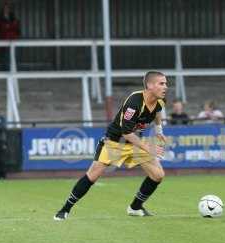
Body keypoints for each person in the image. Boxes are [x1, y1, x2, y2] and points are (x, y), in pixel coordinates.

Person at [53, 71, 168, 220]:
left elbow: (157, 111)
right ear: (150, 85)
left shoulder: (160, 100)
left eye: (166, 83)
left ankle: (135, 207)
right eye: (161, 83)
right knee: (93, 175)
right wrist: (148, 148)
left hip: (134, 143)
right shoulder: (134, 103)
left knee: (158, 175)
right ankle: (65, 209)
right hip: (115, 142)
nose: (166, 87)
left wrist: (159, 130)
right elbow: (126, 132)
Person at [0, 3, 20, 71]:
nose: (7, 10)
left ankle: (14, 69)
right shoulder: (0, 18)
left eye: (8, 8)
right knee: (6, 55)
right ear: (3, 10)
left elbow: (16, 26)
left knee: (14, 54)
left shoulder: (13, 17)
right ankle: (7, 70)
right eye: (5, 8)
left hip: (14, 38)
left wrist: (9, 26)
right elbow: (3, 28)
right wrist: (11, 25)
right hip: (5, 38)